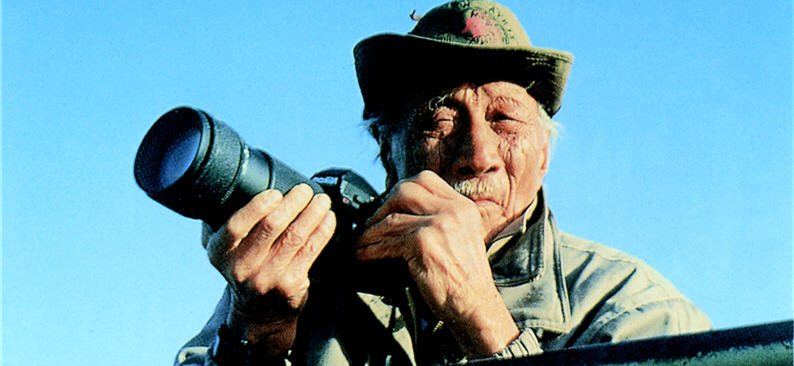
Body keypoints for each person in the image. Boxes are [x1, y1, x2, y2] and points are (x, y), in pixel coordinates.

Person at [175, 1, 712, 365]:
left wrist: (483, 320)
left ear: (543, 154)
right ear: (388, 151)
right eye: (439, 119)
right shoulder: (299, 282)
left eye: (504, 119)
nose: (477, 156)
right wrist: (259, 335)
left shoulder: (631, 309)